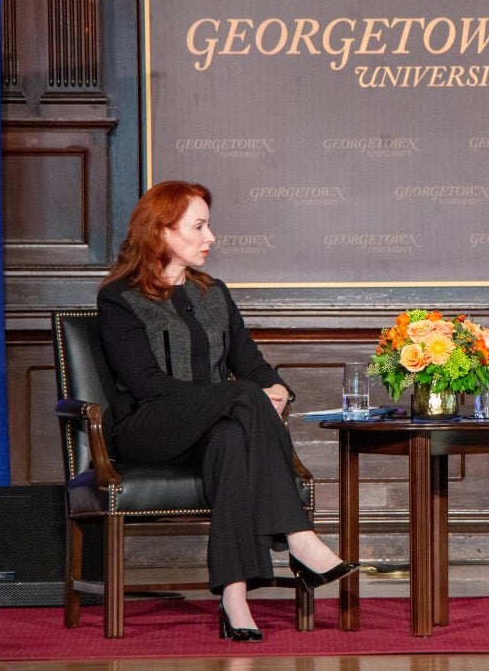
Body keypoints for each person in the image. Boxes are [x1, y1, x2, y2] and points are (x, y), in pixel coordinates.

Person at [97, 180, 358, 642]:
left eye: (208, 225)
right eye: (198, 226)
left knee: (231, 438)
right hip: (149, 427)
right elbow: (146, 384)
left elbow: (249, 362)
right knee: (241, 399)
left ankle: (234, 598)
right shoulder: (120, 298)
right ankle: (298, 538)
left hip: (217, 426)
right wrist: (245, 396)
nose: (210, 236)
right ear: (161, 233)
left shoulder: (213, 292)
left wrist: (277, 389)